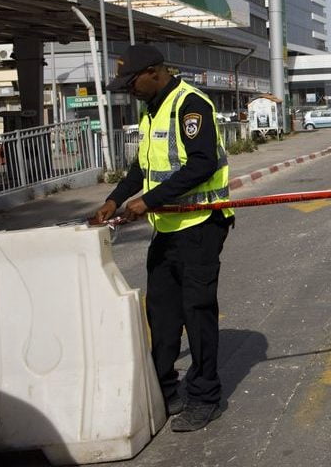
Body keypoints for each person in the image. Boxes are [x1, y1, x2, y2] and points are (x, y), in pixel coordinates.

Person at [90, 45, 234, 432]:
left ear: (154, 72)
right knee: (162, 313)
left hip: (200, 224)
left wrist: (147, 202)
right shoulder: (152, 109)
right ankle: (165, 389)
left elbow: (202, 164)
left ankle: (205, 397)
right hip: (168, 228)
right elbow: (143, 167)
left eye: (131, 81)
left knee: (196, 311)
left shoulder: (191, 105)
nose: (128, 90)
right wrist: (114, 198)